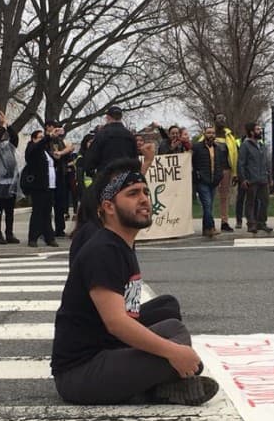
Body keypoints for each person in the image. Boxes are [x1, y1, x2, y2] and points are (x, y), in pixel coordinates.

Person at [51, 159, 220, 405]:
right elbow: (117, 323)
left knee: (174, 328)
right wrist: (173, 352)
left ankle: (156, 382)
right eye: (132, 194)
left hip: (108, 349)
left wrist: (169, 350)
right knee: (180, 355)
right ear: (109, 207)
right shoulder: (103, 250)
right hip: (79, 374)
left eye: (145, 192)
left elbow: (129, 314)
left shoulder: (121, 244)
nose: (143, 199)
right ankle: (155, 389)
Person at [22, 129, 60, 248]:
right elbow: (37, 147)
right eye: (39, 137)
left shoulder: (46, 152)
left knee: (47, 213)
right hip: (39, 186)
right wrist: (48, 136)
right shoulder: (32, 150)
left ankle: (49, 237)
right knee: (38, 212)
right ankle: (33, 238)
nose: (41, 139)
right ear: (33, 139)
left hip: (49, 185)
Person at [191, 125, 229, 237]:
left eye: (212, 133)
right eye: (208, 133)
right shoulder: (197, 147)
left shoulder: (219, 148)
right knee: (207, 205)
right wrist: (197, 176)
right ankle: (211, 227)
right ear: (204, 134)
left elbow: (221, 164)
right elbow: (192, 162)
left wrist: (220, 176)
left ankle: (206, 229)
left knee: (209, 206)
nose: (211, 135)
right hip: (202, 181)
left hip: (214, 181)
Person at [82, 105, 138, 177]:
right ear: (121, 117)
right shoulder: (130, 135)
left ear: (107, 117)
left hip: (106, 177)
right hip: (126, 177)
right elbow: (135, 158)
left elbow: (91, 158)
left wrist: (91, 173)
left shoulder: (101, 134)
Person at [237, 121, 272, 233]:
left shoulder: (261, 145)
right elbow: (241, 163)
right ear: (251, 132)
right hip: (251, 179)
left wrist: (269, 177)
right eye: (257, 129)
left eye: (260, 129)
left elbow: (266, 162)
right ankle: (251, 224)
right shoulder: (245, 146)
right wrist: (243, 179)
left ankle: (261, 223)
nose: (260, 131)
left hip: (263, 178)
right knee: (250, 202)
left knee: (265, 201)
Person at [47, 120, 76, 236]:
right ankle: (46, 229)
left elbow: (70, 148)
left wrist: (62, 152)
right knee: (48, 205)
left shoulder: (60, 141)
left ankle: (60, 228)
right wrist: (60, 153)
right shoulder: (47, 140)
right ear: (49, 128)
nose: (58, 131)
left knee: (60, 204)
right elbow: (55, 155)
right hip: (49, 176)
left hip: (60, 175)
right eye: (55, 129)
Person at [213, 116, 241, 232]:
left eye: (223, 119)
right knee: (210, 196)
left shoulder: (230, 137)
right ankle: (209, 222)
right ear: (214, 121)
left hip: (226, 170)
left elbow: (234, 155)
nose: (221, 121)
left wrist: (235, 173)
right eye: (219, 119)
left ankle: (224, 222)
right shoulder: (208, 135)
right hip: (212, 170)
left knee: (224, 197)